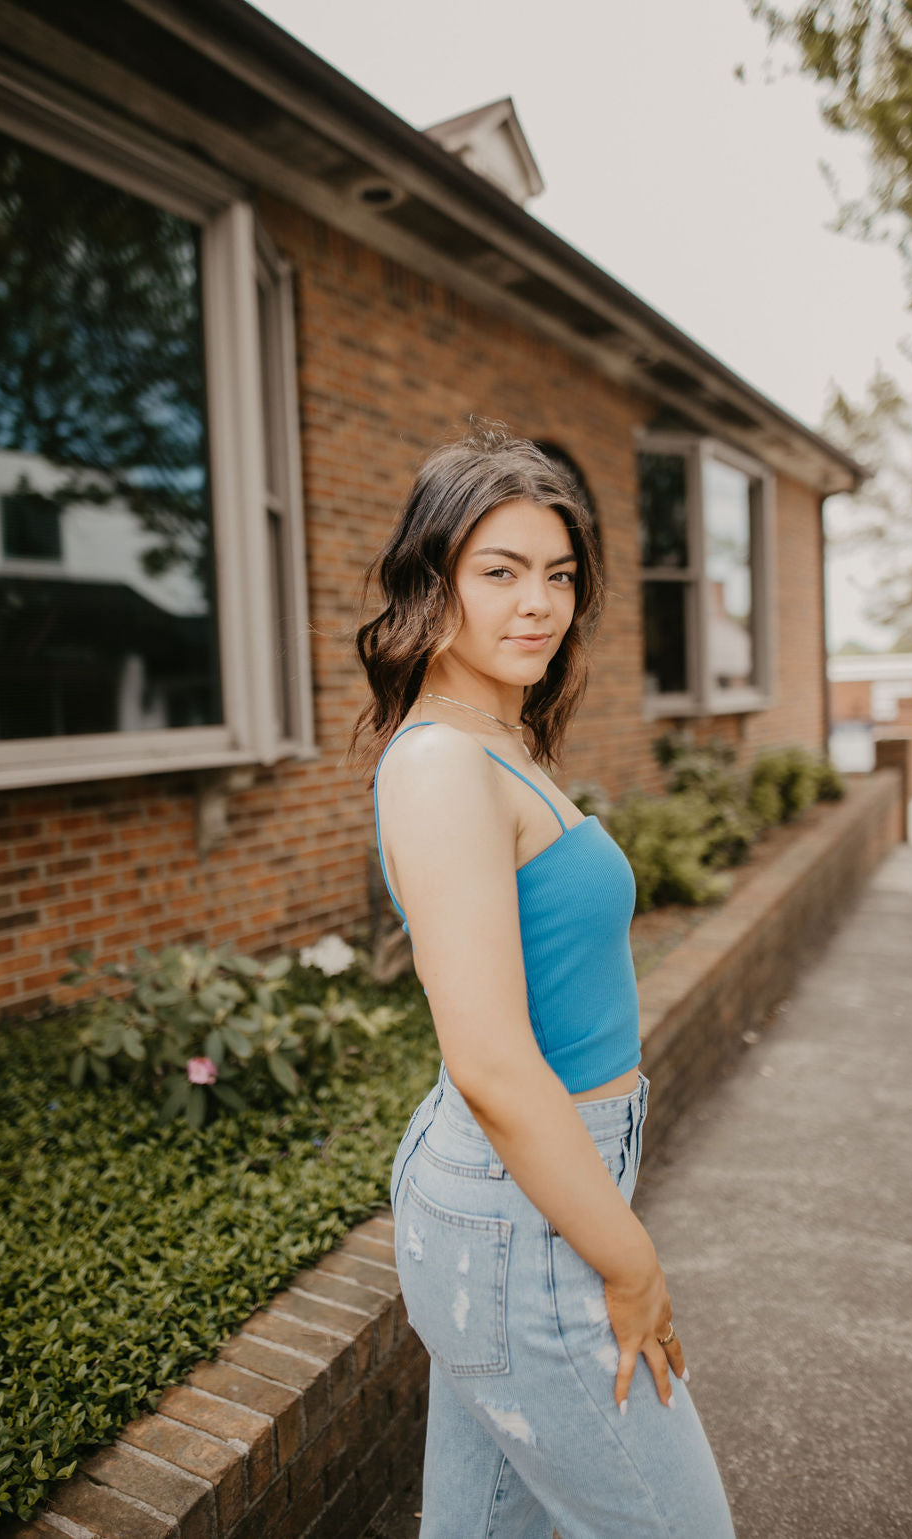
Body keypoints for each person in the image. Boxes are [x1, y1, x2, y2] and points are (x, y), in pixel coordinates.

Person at [348, 431, 735, 1538]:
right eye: (500, 571)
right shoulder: (438, 762)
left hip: (526, 1195)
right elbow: (491, 1060)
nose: (540, 604)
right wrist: (631, 1259)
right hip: (521, 1212)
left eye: (558, 574)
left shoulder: (495, 736)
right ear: (436, 584)